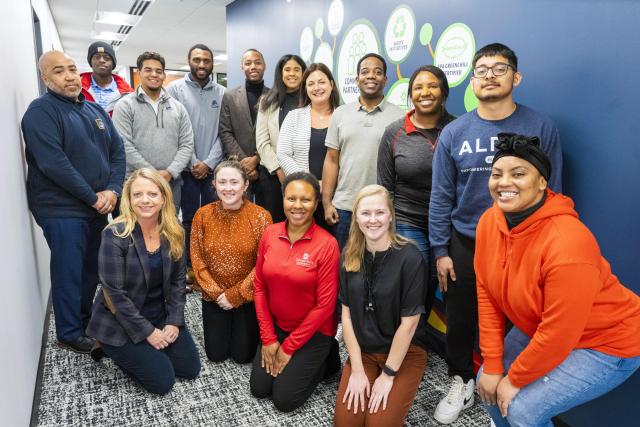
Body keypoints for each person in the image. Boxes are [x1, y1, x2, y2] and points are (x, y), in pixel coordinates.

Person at [429, 43, 563, 424]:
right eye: (481, 69)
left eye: (499, 68)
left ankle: (505, 387)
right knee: (461, 319)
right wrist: (441, 249)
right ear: (472, 81)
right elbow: (441, 196)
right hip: (466, 241)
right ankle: (461, 380)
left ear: (515, 77)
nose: (489, 75)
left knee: (519, 321)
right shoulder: (455, 132)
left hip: (526, 242)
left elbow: (555, 191)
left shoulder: (540, 127)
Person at [474, 134, 640, 426]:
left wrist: (514, 379)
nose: (504, 182)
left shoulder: (568, 241)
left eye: (519, 174)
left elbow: (560, 332)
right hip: (541, 326)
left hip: (607, 342)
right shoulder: (490, 221)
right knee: (486, 383)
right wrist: (492, 364)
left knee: (521, 410)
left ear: (542, 183)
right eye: (497, 174)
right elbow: (486, 292)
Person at [21, 51, 125, 353]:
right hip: (62, 209)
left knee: (91, 267)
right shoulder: (41, 112)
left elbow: (117, 153)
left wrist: (113, 189)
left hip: (96, 206)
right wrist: (94, 197)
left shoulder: (94, 110)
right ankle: (68, 332)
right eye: (58, 71)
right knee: (69, 269)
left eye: (71, 69)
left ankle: (84, 319)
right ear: (45, 78)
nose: (68, 76)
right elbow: (54, 164)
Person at [87, 168, 201, 395]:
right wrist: (149, 333)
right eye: (137, 194)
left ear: (163, 197)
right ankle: (109, 347)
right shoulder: (115, 235)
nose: (145, 200)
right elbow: (115, 295)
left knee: (190, 368)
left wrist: (174, 321)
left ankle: (147, 351)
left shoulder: (174, 231)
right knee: (163, 381)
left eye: (152, 194)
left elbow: (179, 282)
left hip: (158, 312)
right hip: (120, 321)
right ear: (128, 199)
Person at [334, 185, 429, 426]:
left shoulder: (410, 258)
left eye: (380, 212)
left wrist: (388, 376)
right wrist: (356, 368)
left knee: (377, 423)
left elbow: (409, 326)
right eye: (366, 213)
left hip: (405, 354)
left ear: (390, 216)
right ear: (356, 217)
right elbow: (346, 317)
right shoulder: (349, 255)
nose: (373, 220)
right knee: (346, 423)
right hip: (364, 353)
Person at [250, 172, 341, 412]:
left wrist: (289, 347)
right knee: (259, 389)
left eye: (306, 200)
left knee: (284, 400)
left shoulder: (327, 244)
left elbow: (325, 306)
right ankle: (305, 357)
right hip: (279, 325)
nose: (298, 206)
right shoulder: (270, 234)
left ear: (316, 204)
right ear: (283, 200)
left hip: (314, 332)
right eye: (291, 199)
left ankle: (327, 359)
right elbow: (259, 286)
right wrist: (269, 339)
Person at [190, 158, 272, 363]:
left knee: (242, 356)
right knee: (215, 355)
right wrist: (218, 294)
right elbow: (197, 258)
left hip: (247, 295)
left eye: (234, 182)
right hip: (214, 295)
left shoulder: (261, 216)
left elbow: (263, 264)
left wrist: (236, 295)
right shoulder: (202, 215)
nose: (228, 188)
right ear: (214, 184)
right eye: (222, 182)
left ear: (245, 185)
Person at [322, 53, 404, 249]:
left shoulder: (400, 116)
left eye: (377, 72)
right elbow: (332, 160)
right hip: (344, 208)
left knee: (381, 269)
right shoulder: (340, 114)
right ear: (356, 79)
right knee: (346, 268)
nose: (371, 76)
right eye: (365, 72)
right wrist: (326, 202)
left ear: (385, 79)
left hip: (382, 209)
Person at [166, 44, 226, 285]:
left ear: (212, 63)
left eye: (207, 61)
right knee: (189, 219)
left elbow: (225, 131)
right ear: (189, 61)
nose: (202, 65)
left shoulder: (222, 93)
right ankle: (190, 268)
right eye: (197, 60)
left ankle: (211, 265)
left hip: (214, 169)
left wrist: (209, 162)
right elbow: (175, 131)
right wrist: (192, 162)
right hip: (186, 169)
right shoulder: (174, 90)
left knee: (215, 218)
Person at [112, 51, 194, 210]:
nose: (154, 74)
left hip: (171, 183)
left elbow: (187, 144)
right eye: (148, 70)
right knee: (136, 231)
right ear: (139, 72)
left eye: (158, 71)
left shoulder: (178, 108)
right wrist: (153, 175)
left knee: (168, 230)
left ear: (164, 75)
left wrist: (170, 172)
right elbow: (124, 145)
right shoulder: (125, 105)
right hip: (136, 183)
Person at [277, 62, 340, 231]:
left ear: (331, 85)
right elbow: (283, 154)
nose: (316, 88)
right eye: (310, 84)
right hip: (303, 197)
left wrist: (327, 186)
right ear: (305, 88)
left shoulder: (343, 116)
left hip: (337, 196)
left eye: (321, 82)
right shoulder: (294, 117)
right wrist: (310, 182)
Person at [256, 54, 307, 222]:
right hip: (272, 176)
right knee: (274, 223)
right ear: (280, 73)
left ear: (303, 73)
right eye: (287, 70)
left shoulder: (310, 101)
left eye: (297, 70)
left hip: (304, 173)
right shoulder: (267, 101)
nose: (292, 74)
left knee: (301, 221)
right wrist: (279, 169)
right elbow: (262, 142)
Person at [219, 48, 269, 203]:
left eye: (257, 62)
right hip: (237, 169)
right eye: (248, 63)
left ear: (264, 66)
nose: (253, 66)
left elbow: (277, 135)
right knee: (237, 216)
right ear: (242, 67)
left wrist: (257, 159)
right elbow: (225, 131)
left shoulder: (275, 96)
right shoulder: (230, 96)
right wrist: (244, 162)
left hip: (267, 170)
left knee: (266, 217)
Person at [80, 41, 133, 114]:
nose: (102, 60)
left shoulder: (127, 93)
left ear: (113, 63)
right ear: (91, 62)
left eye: (107, 58)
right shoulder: (78, 89)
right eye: (97, 57)